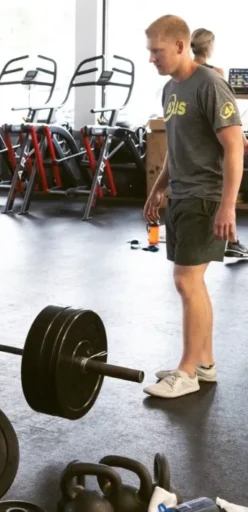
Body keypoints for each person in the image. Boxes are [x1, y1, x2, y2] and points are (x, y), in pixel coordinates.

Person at [143, 15, 245, 399]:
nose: (152, 58)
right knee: (192, 283)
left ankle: (187, 371)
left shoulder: (211, 85)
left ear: (181, 46)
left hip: (206, 196)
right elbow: (175, 146)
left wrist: (227, 206)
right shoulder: (171, 89)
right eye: (150, 50)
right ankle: (204, 364)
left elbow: (235, 146)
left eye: (157, 51)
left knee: (187, 281)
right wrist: (157, 189)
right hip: (182, 195)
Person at [190, 27, 248, 258]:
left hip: (195, 145)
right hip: (216, 143)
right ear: (209, 47)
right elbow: (227, 113)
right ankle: (230, 240)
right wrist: (241, 138)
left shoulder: (186, 74)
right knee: (225, 192)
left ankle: (231, 240)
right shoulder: (215, 73)